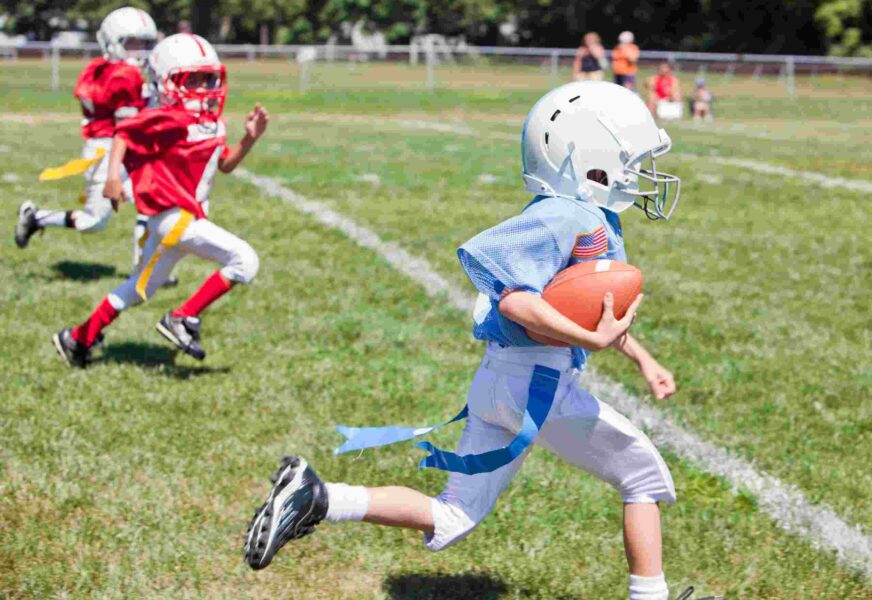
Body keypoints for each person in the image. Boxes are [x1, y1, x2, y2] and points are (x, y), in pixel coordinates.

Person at [243, 81, 692, 600]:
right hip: (536, 386)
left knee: (453, 515)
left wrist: (641, 357)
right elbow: (515, 302)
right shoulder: (566, 214)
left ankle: (318, 496)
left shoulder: (587, 216)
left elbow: (586, 311)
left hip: (503, 380)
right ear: (589, 159)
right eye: (631, 160)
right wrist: (588, 339)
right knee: (643, 478)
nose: (641, 174)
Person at [52, 33, 269, 368]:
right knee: (245, 261)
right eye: (191, 79)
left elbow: (224, 165)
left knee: (139, 290)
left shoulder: (210, 122)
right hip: (175, 219)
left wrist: (249, 139)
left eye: (207, 77)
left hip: (180, 220)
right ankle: (182, 318)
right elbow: (122, 132)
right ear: (167, 82)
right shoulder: (169, 116)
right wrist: (112, 177)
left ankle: (78, 338)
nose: (204, 86)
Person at [14, 6, 157, 267]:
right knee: (94, 222)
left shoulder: (101, 68)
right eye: (133, 43)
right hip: (111, 152)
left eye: (145, 43)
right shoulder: (124, 75)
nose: (141, 50)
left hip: (111, 147)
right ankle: (36, 217)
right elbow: (127, 128)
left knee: (151, 202)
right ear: (113, 42)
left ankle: (146, 271)